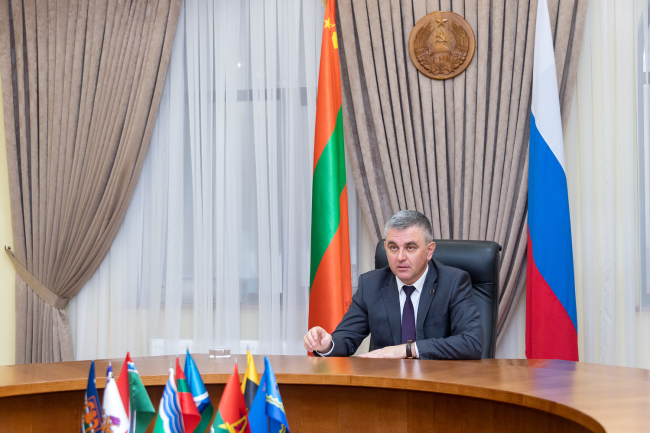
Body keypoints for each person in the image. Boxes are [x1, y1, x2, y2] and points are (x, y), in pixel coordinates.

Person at [303, 210, 483, 360]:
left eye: (410, 247)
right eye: (393, 247)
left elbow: (471, 342)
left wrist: (408, 349)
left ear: (429, 251)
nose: (400, 257)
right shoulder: (370, 285)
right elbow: (346, 339)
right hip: (386, 383)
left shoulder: (453, 282)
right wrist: (326, 345)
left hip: (436, 383)